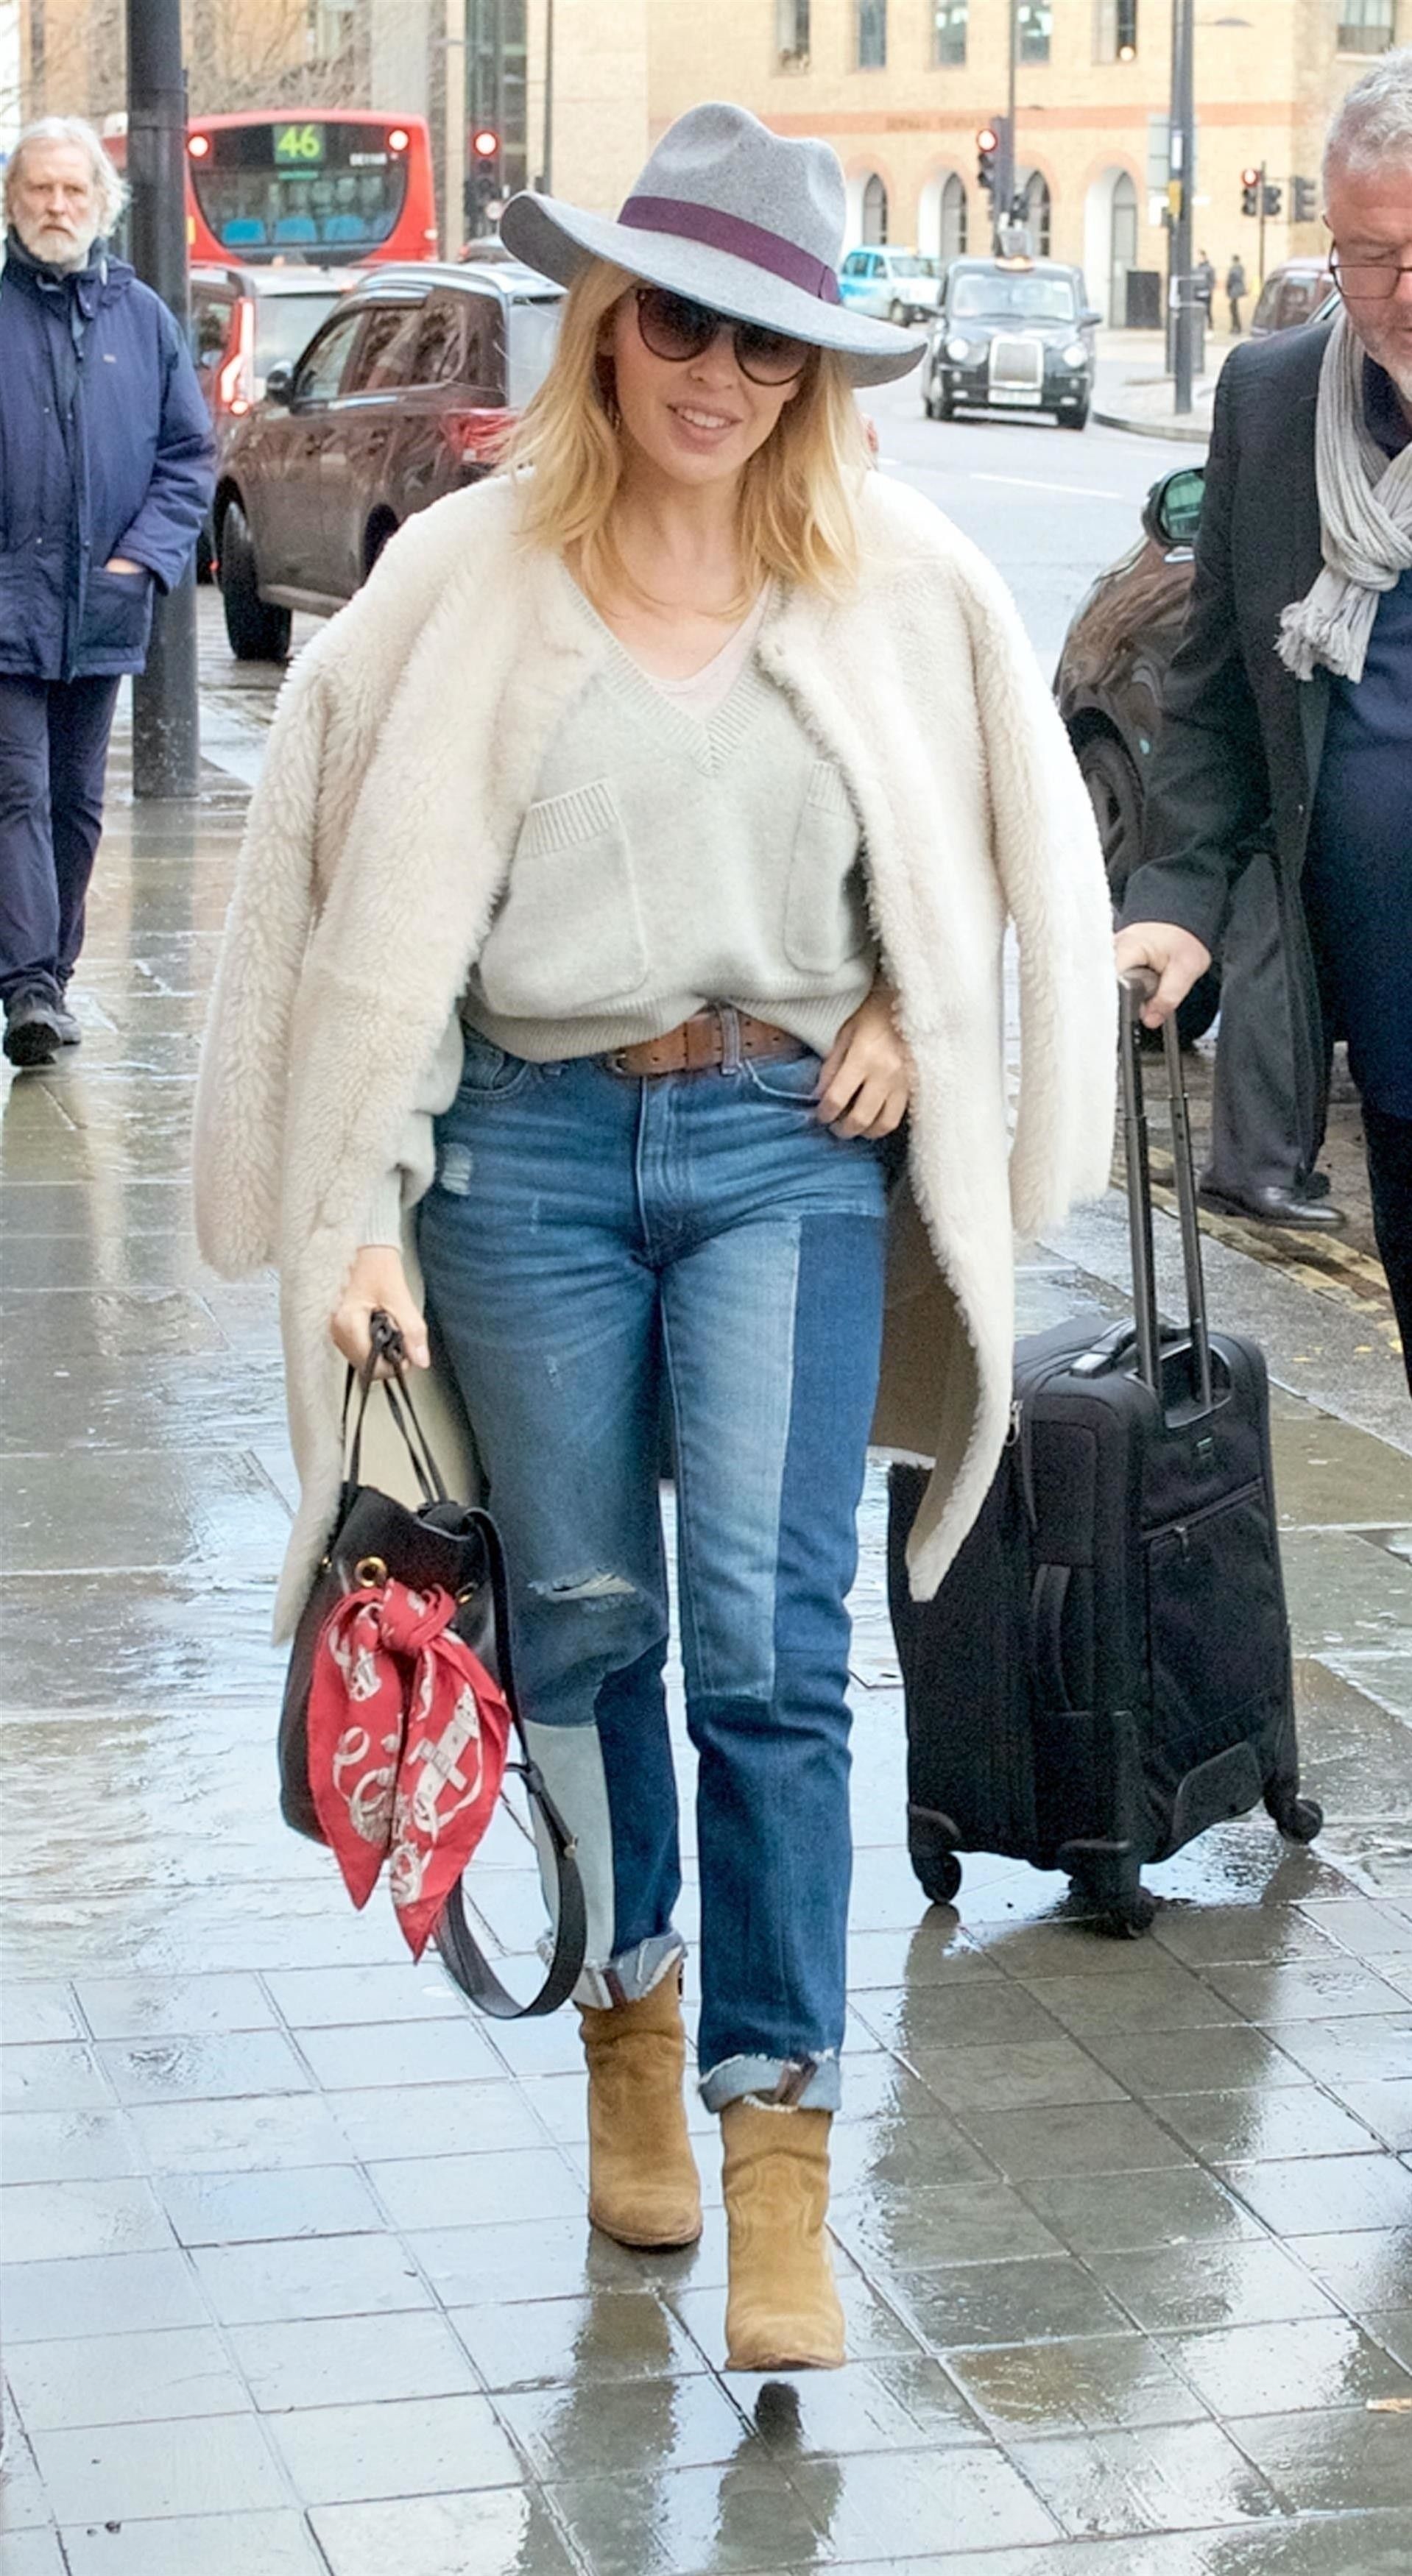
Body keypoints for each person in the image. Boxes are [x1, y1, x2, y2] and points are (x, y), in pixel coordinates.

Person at [194, 102, 1115, 2370]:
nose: (716, 375)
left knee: (775, 1655)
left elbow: (981, 832)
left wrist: (907, 1003)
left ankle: (776, 2132)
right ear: (610, 325)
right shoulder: (467, 573)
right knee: (589, 1624)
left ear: (812, 370)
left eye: (764, 343)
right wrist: (356, 1204)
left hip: (781, 1153)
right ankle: (631, 2019)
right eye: (679, 325)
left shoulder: (897, 577)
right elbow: (356, 886)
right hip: (518, 1162)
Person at [1118, 49, 1412, 1390]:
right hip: (1384, 1031)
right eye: (1366, 256)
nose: (1396, 294)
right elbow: (1216, 699)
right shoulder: (1275, 398)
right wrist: (1175, 896)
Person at [0, 117, 213, 1069]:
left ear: (101, 202)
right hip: (8, 599)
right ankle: (29, 987)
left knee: (77, 798)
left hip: (104, 602)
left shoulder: (143, 319)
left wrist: (142, 562)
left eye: (72, 190)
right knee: (16, 789)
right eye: (39, 189)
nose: (56, 206)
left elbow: (188, 456)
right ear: (11, 202)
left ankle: (51, 972)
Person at [1226, 252, 1248, 334]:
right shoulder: (1241, 268)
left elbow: (1230, 280)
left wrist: (1228, 290)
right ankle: (1238, 326)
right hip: (1239, 290)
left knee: (1233, 309)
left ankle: (1235, 326)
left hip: (1234, 291)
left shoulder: (1233, 269)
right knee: (1234, 308)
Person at [1195, 249, 1216, 318]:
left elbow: (1212, 280)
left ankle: (1209, 322)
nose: (1198, 259)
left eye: (1200, 257)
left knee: (1207, 310)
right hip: (1197, 292)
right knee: (1198, 311)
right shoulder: (1196, 269)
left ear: (1204, 257)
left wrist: (1210, 290)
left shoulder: (1209, 268)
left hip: (1206, 292)